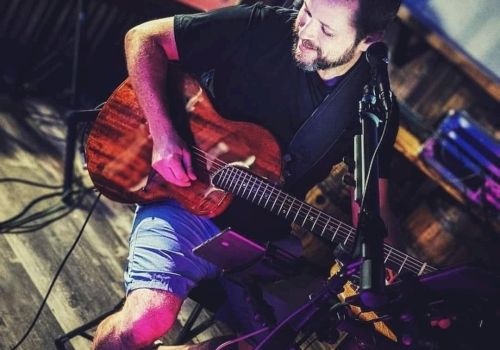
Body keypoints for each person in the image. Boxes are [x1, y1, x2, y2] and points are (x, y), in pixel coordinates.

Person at [92, 0, 402, 348]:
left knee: (279, 344)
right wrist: (163, 133)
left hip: (260, 244)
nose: (306, 31)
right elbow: (143, 38)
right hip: (185, 201)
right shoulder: (263, 26)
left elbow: (372, 210)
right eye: (307, 11)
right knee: (143, 321)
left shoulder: (373, 109)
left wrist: (385, 260)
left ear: (368, 41)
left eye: (327, 30)